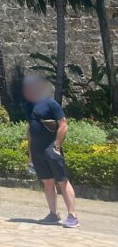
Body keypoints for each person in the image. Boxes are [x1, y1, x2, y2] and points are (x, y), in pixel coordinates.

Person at [23, 75, 79, 228]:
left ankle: (73, 215)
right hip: (37, 150)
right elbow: (30, 131)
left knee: (62, 180)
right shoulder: (29, 106)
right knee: (47, 182)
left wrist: (56, 146)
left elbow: (63, 125)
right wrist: (30, 155)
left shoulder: (52, 104)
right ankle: (53, 214)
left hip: (50, 148)